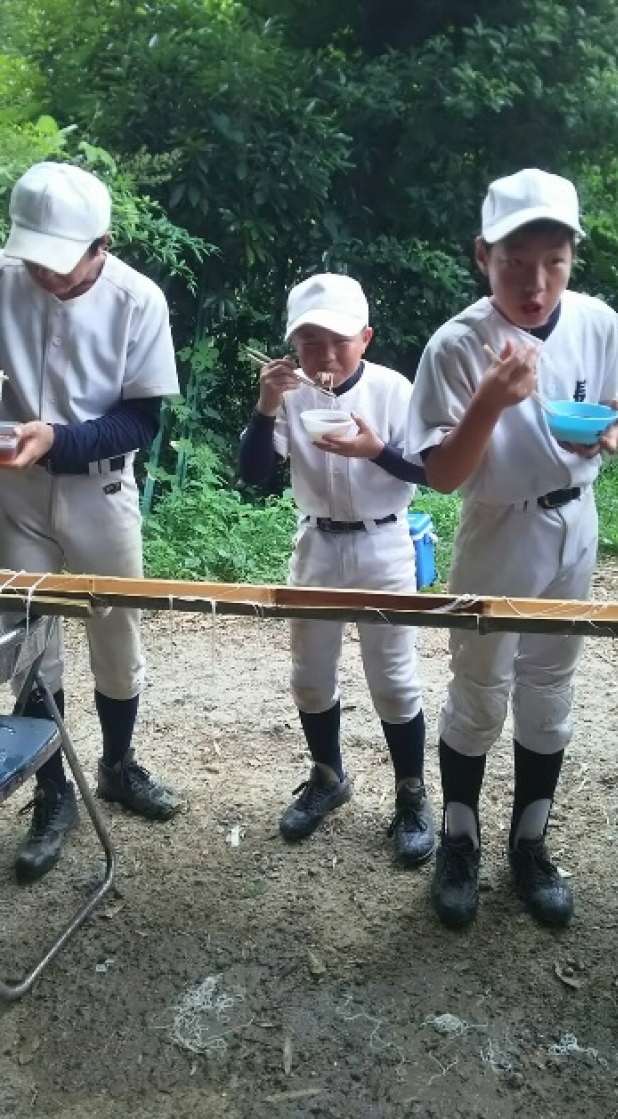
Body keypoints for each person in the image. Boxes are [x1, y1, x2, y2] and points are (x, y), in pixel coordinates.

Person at [406, 168, 618, 928]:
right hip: (499, 528)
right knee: (479, 686)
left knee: (550, 686)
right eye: (514, 263)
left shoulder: (597, 322)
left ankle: (529, 843)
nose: (535, 284)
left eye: (553, 262)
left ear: (572, 257)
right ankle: (459, 840)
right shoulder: (456, 346)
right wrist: (489, 401)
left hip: (576, 524)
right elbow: (442, 475)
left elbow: (615, 410)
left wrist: (608, 432)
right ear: (483, 255)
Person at [0, 161, 182, 884]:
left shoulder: (138, 300)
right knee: (29, 638)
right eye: (34, 259)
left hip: (100, 490)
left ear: (101, 245)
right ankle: (53, 791)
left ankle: (118, 763)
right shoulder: (5, 280)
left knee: (116, 630)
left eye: (60, 261)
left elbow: (141, 419)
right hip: (15, 492)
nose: (44, 274)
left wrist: (57, 438)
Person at [239, 272, 435, 866]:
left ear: (365, 338)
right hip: (317, 543)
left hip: (384, 542)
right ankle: (327, 776)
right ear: (293, 345)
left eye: (339, 341)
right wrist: (266, 406)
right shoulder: (290, 394)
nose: (325, 356)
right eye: (310, 342)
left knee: (393, 677)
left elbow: (432, 472)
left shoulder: (393, 390)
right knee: (310, 673)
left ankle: (411, 794)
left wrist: (377, 451)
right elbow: (252, 473)